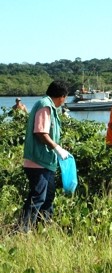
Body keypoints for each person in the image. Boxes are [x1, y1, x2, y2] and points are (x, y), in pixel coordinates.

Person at [20, 80, 70, 232]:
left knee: (48, 196)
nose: (64, 101)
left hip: (46, 162)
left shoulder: (48, 106)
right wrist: (56, 147)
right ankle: (24, 230)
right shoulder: (45, 106)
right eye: (65, 98)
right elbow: (40, 132)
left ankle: (43, 227)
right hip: (37, 161)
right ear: (61, 96)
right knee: (38, 197)